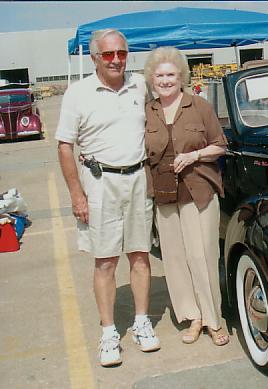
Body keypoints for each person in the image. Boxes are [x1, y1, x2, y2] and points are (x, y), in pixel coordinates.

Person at [55, 29, 159, 367]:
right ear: (95, 58)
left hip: (138, 178)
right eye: (108, 55)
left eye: (122, 53)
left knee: (141, 255)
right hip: (100, 183)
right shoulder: (78, 93)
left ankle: (142, 322)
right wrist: (76, 194)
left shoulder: (140, 85)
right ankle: (109, 332)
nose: (116, 60)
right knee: (105, 260)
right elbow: (64, 146)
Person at [143, 47, 229, 347]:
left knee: (202, 256)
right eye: (160, 75)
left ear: (181, 77)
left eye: (171, 75)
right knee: (176, 260)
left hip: (199, 191)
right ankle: (192, 318)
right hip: (164, 195)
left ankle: (213, 320)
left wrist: (194, 155)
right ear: (151, 79)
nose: (165, 80)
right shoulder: (147, 111)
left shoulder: (200, 106)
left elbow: (220, 145)